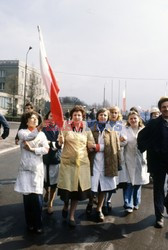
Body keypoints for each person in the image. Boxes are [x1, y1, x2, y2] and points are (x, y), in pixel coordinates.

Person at [57, 105, 95, 227]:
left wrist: (92, 145)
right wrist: (60, 140)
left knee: (77, 193)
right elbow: (60, 143)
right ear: (71, 116)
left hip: (82, 165)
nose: (77, 117)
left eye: (79, 115)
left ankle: (72, 216)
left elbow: (91, 144)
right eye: (75, 115)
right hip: (68, 164)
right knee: (67, 190)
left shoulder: (86, 129)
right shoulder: (65, 127)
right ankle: (65, 205)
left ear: (82, 116)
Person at [14, 111, 49, 233]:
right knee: (27, 199)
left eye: (36, 119)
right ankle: (29, 223)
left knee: (37, 198)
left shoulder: (42, 135)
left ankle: (38, 224)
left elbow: (46, 149)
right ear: (26, 121)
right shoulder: (22, 132)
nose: (34, 120)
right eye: (31, 118)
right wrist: (39, 128)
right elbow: (30, 137)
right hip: (25, 169)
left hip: (37, 169)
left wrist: (33, 149)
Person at [137, 97, 168, 228]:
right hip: (158, 162)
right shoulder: (153, 123)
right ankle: (159, 217)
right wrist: (150, 147)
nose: (166, 109)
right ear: (160, 109)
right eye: (164, 107)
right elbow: (141, 138)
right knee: (158, 190)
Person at [87, 108, 121, 222]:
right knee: (91, 187)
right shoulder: (91, 129)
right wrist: (90, 147)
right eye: (101, 115)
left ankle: (99, 209)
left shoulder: (111, 131)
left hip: (107, 162)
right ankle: (91, 202)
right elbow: (86, 144)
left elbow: (115, 147)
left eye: (105, 115)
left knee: (103, 188)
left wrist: (98, 147)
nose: (103, 117)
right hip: (93, 162)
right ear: (97, 117)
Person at [122, 111, 149, 213]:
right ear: (128, 120)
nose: (133, 120)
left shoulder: (144, 130)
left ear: (139, 119)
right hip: (129, 159)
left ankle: (136, 202)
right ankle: (128, 204)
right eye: (131, 118)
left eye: (135, 118)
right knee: (129, 183)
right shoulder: (125, 129)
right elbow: (122, 143)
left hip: (140, 160)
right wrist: (122, 140)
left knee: (138, 183)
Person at [102, 106, 123, 214]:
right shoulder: (105, 124)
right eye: (112, 112)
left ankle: (108, 199)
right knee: (104, 178)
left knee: (113, 180)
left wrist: (120, 140)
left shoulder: (120, 125)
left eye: (116, 112)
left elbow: (123, 140)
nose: (114, 114)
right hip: (105, 154)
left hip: (115, 154)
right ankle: (102, 200)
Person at [42, 111, 61, 214]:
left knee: (53, 182)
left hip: (56, 158)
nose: (52, 118)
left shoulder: (61, 128)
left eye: (55, 116)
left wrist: (58, 143)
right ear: (47, 117)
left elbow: (62, 143)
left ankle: (50, 203)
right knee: (45, 180)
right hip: (44, 157)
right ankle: (46, 191)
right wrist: (54, 144)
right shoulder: (43, 128)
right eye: (50, 116)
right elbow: (42, 141)